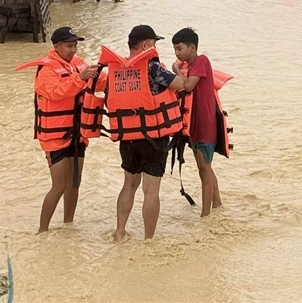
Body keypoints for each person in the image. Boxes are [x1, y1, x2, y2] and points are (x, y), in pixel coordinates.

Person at [100, 25, 187, 243]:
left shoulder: (116, 70)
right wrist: (177, 70)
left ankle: (119, 232)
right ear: (145, 45)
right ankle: (149, 240)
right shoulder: (152, 68)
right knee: (151, 191)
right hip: (154, 138)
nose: (155, 48)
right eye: (154, 43)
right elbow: (180, 85)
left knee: (129, 184)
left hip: (127, 135)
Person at [14, 26, 104, 234]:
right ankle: (42, 231)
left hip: (77, 133)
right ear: (56, 47)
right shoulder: (46, 71)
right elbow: (56, 93)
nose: (73, 50)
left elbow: (98, 84)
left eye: (75, 46)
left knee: (74, 183)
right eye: (69, 46)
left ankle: (68, 225)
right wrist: (80, 78)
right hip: (55, 137)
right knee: (59, 185)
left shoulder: (79, 64)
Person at [171, 28, 223, 218]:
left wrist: (176, 71)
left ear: (192, 48)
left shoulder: (202, 61)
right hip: (194, 124)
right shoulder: (192, 66)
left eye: (179, 48)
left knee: (204, 170)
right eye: (175, 49)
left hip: (204, 124)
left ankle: (205, 216)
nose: (177, 53)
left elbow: (187, 86)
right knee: (206, 167)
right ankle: (217, 205)